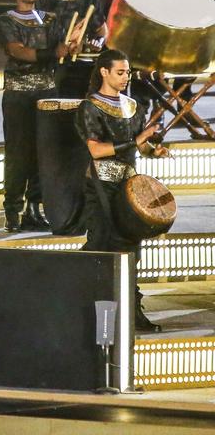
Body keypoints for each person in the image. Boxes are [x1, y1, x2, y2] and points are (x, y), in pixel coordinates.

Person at [75, 49, 169, 333]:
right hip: (101, 186)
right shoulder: (89, 107)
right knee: (103, 245)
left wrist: (154, 150)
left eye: (128, 72)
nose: (126, 77)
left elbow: (139, 146)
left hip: (129, 187)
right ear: (103, 72)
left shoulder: (133, 105)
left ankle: (132, 312)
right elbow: (96, 150)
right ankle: (94, 313)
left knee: (132, 249)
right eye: (120, 72)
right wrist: (137, 140)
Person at [0, 0, 73, 233]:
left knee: (44, 152)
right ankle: (12, 211)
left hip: (47, 92)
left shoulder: (50, 19)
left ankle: (34, 208)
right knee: (18, 153)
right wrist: (52, 52)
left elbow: (64, 46)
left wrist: (71, 44)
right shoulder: (6, 20)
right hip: (19, 94)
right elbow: (16, 50)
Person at [37, 0, 107, 98]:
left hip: (80, 58)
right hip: (52, 60)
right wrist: (64, 41)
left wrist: (97, 41)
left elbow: (100, 28)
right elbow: (38, 28)